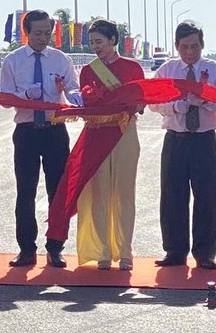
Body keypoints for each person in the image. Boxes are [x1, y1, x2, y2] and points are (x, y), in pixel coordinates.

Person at [45, 19, 144, 269]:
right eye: (92, 42)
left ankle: (125, 253)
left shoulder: (132, 68)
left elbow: (141, 104)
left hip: (123, 133)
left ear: (113, 40)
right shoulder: (89, 70)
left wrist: (131, 103)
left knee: (123, 193)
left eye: (99, 41)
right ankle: (102, 251)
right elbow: (83, 101)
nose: (95, 47)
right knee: (98, 193)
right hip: (96, 133)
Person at [0, 9, 79, 267]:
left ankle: (55, 247)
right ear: (26, 32)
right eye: (38, 33)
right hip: (26, 132)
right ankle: (26, 249)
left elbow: (72, 85)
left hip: (55, 131)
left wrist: (77, 95)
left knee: (57, 191)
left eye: (48, 32)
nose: (44, 37)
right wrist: (25, 95)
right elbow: (5, 96)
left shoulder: (60, 59)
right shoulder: (13, 61)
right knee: (26, 191)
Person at [151, 22, 216, 270]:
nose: (190, 52)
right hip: (176, 137)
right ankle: (174, 250)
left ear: (202, 45)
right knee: (172, 196)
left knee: (207, 196)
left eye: (194, 46)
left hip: (204, 139)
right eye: (184, 47)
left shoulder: (214, 70)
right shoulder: (167, 69)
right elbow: (153, 102)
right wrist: (175, 106)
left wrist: (206, 100)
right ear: (177, 46)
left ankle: (205, 253)